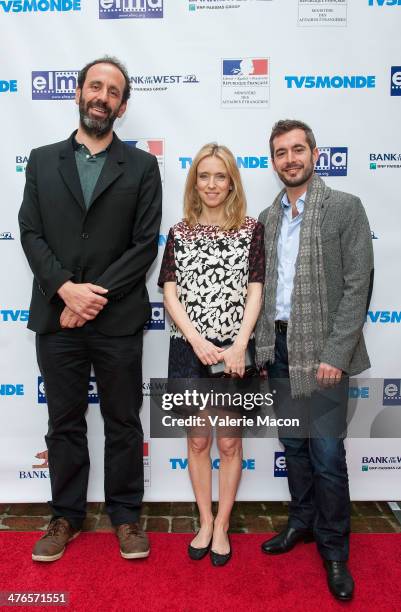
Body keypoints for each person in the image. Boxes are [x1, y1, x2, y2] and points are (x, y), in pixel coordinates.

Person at [18, 56, 162, 562]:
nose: (102, 96)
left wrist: (89, 297)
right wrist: (64, 289)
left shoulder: (142, 167)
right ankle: (65, 515)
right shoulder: (40, 160)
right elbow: (30, 234)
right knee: (64, 420)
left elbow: (144, 246)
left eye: (113, 91)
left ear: (123, 106)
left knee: (123, 419)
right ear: (78, 93)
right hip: (57, 319)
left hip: (116, 318)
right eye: (94, 86)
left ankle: (125, 517)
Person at [255, 120, 373, 600]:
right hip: (279, 349)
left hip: (324, 352)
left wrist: (335, 355)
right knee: (295, 447)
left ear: (315, 154)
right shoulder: (267, 217)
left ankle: (334, 550)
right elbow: (263, 292)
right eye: (281, 152)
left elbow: (357, 286)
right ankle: (300, 523)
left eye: (298, 149)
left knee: (326, 455)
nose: (290, 159)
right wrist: (263, 347)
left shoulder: (345, 208)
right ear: (274, 161)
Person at [158, 143, 264, 566]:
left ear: (232, 181)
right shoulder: (179, 232)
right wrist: (196, 339)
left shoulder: (251, 229)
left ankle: (223, 525)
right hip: (189, 353)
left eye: (220, 176)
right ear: (194, 182)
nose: (212, 184)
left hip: (236, 355)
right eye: (204, 176)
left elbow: (256, 288)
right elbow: (169, 291)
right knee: (199, 441)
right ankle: (204, 520)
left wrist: (239, 343)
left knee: (231, 444)